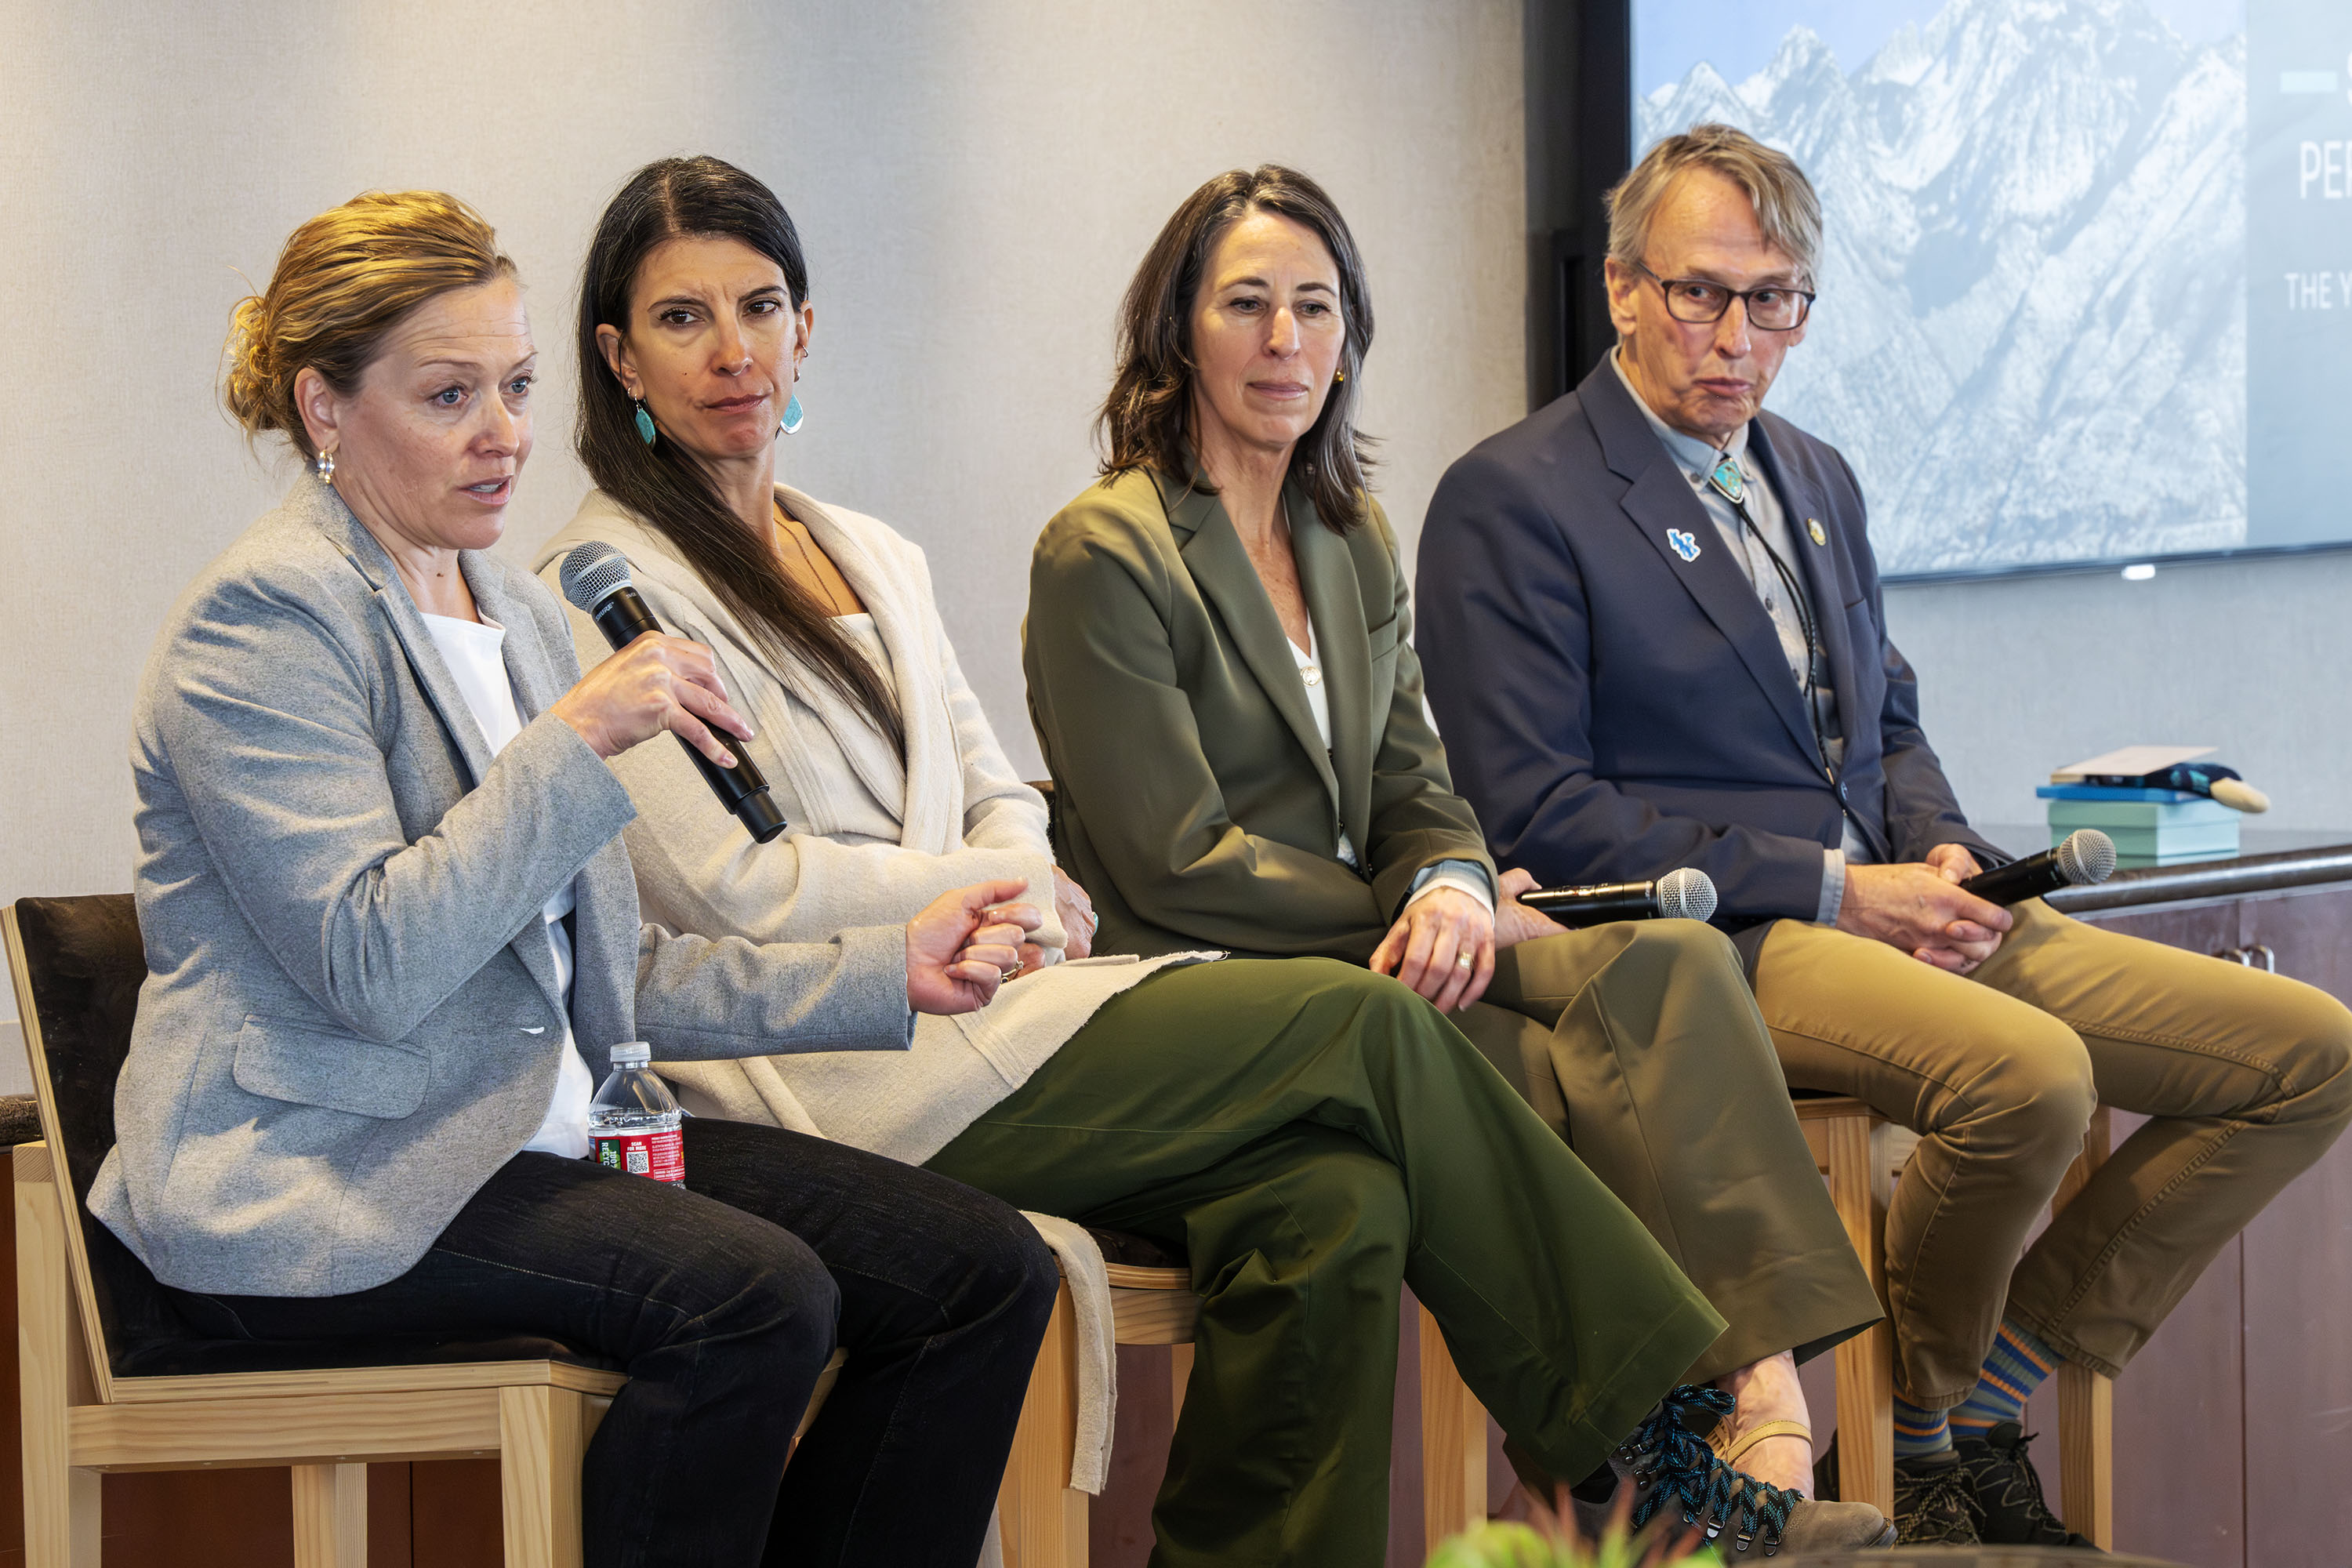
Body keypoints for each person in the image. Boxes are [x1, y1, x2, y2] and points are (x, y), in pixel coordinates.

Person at [530, 154, 1860, 1565]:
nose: (734, 349)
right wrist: (985, 895)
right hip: (840, 1057)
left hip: (1011, 996)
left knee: (1336, 1207)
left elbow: (997, 790)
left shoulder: (873, 551)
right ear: (617, 356)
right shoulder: (597, 589)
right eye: (683, 320)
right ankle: (1661, 1441)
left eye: (762, 304)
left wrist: (1017, 880)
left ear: (807, 330)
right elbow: (732, 886)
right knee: (1364, 1025)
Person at [93, 190, 1065, 1568]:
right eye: (450, 396)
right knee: (751, 1297)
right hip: (319, 1179)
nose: (504, 436)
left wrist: (886, 967)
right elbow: (374, 967)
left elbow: (621, 969)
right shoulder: (262, 624)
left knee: (981, 1272)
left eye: (517, 387)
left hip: (536, 1136)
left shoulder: (528, 615)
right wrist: (577, 740)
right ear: (324, 408)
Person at [1414, 122, 2352, 1546]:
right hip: (1726, 942)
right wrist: (1842, 890)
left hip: (1902, 901)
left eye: (1776, 299)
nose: (1738, 336)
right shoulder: (1515, 496)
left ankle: (1967, 1391)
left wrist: (1952, 852)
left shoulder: (1816, 473)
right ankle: (1925, 1435)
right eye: (1701, 293)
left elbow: (1886, 728)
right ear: (1619, 287)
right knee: (2031, 1079)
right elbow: (1538, 811)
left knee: (2310, 1055)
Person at [1022, 162, 1889, 1548]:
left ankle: (1759, 1394)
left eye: (1316, 307)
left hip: (1388, 953)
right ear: (1181, 327)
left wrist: (1450, 875)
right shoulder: (1105, 551)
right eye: (1247, 305)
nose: (1286, 340)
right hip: (1208, 984)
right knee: (1528, 1066)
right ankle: (1643, 1465)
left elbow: (1419, 779)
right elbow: (1174, 857)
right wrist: (1429, 907)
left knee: (1663, 966)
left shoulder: (1348, 532)